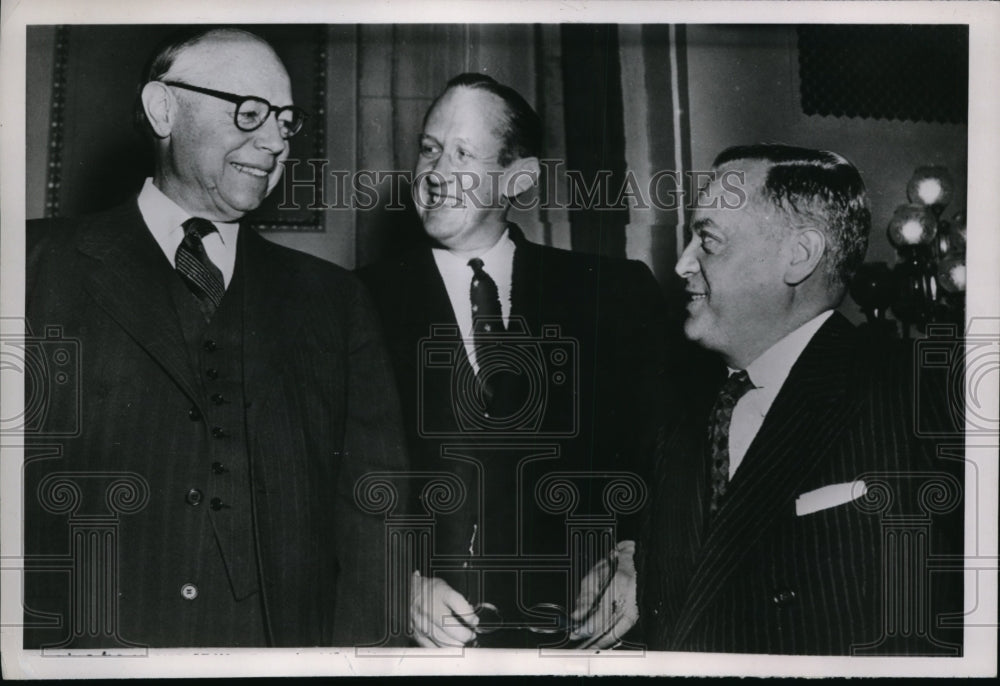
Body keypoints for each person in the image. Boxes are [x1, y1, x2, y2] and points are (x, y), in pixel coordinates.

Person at [23, 27, 407, 648]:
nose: (276, 141)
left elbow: (376, 511)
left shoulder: (335, 302)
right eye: (249, 112)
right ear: (163, 108)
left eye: (286, 120)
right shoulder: (30, 266)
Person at [609, 143, 962, 654]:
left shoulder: (919, 395)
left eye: (708, 240)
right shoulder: (679, 410)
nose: (683, 263)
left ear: (798, 256)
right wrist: (628, 559)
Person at [357, 74, 669, 648]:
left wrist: (634, 558)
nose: (435, 174)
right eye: (429, 149)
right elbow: (328, 480)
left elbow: (669, 454)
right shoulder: (354, 301)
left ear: (518, 179)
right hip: (424, 647)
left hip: (581, 638)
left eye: (463, 154)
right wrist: (395, 583)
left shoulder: (613, 294)